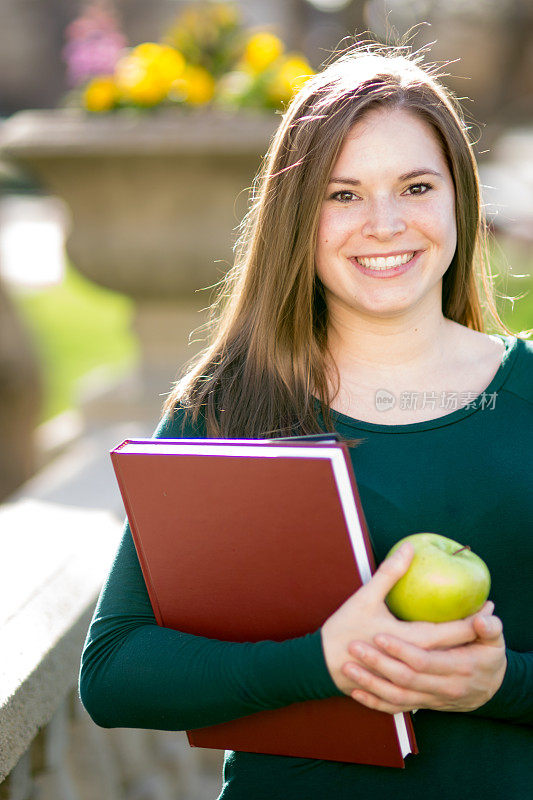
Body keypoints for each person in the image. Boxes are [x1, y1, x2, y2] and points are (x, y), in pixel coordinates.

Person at [80, 42, 533, 799]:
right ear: (297, 215)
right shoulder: (229, 406)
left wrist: (499, 683)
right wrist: (325, 659)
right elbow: (116, 673)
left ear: (459, 198)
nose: (383, 224)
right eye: (342, 194)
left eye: (415, 186)